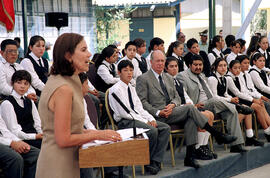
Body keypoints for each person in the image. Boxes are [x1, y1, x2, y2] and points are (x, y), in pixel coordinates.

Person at [35, 33, 122, 178]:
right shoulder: (64, 88)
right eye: (83, 50)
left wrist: (102, 134)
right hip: (58, 166)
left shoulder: (67, 80)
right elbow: (63, 138)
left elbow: (73, 129)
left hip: (66, 160)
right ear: (68, 56)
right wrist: (98, 134)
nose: (89, 54)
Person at [136, 50, 236, 168]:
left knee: (191, 118)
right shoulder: (143, 78)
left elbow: (177, 98)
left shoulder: (168, 77)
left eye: (162, 61)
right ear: (151, 62)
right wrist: (158, 112)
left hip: (172, 111)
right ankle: (217, 134)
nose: (160, 63)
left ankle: (189, 157)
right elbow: (142, 102)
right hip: (156, 116)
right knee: (189, 109)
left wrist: (173, 104)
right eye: (158, 61)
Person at [109, 60, 170, 175]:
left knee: (165, 128)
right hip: (125, 121)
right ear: (119, 72)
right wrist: (145, 121)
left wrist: (150, 119)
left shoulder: (131, 87)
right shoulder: (115, 90)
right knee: (152, 131)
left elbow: (139, 108)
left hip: (136, 118)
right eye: (125, 70)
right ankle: (147, 162)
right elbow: (126, 113)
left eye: (131, 70)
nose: (129, 73)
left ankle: (155, 161)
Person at [177, 54, 246, 153]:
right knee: (221, 103)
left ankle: (236, 145)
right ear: (189, 65)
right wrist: (194, 105)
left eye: (200, 65)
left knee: (232, 112)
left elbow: (210, 94)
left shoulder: (202, 76)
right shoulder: (183, 76)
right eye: (195, 65)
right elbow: (183, 96)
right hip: (196, 107)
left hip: (210, 104)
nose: (198, 67)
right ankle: (237, 106)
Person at [165, 57, 217, 160]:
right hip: (176, 111)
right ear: (166, 69)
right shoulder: (166, 81)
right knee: (205, 115)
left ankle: (203, 146)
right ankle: (198, 148)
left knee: (210, 114)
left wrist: (192, 105)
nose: (174, 69)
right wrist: (190, 107)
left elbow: (185, 97)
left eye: (176, 66)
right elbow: (174, 101)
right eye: (171, 66)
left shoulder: (176, 80)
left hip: (187, 108)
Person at [208, 58, 264, 146]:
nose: (223, 68)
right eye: (220, 66)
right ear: (215, 67)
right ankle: (229, 129)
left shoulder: (224, 78)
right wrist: (231, 100)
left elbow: (225, 93)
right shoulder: (212, 79)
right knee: (244, 110)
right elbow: (214, 97)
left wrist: (232, 99)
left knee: (247, 110)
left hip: (226, 104)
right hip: (217, 107)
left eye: (225, 65)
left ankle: (249, 137)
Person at [1, 70, 43, 149]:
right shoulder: (7, 104)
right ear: (12, 83)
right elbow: (14, 131)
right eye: (19, 82)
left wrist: (41, 134)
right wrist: (35, 136)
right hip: (22, 140)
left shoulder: (29, 101)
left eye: (26, 84)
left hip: (35, 136)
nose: (22, 86)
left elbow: (37, 123)